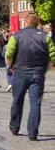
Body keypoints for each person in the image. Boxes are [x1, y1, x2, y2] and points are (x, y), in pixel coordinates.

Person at [7, 12, 55, 141]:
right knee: (35, 103)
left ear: (25, 22)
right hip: (37, 73)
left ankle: (15, 127)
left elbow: (9, 53)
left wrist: (10, 67)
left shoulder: (16, 36)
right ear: (37, 24)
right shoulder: (45, 37)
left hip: (20, 72)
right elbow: (52, 55)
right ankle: (32, 133)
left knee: (17, 100)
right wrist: (46, 69)